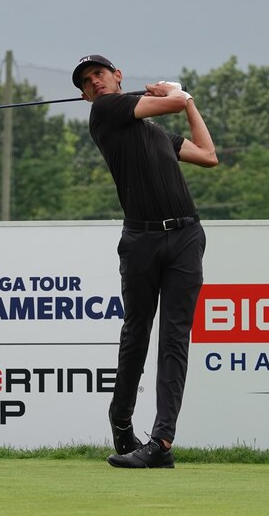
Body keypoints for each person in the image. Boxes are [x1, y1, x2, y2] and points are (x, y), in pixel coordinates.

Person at [72, 55, 218, 468]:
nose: (95, 82)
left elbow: (208, 154)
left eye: (99, 74)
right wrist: (176, 93)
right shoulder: (105, 111)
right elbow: (172, 100)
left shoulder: (155, 133)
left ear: (117, 76)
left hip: (186, 236)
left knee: (174, 338)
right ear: (85, 96)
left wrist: (188, 104)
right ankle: (121, 419)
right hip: (141, 239)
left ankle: (161, 443)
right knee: (137, 331)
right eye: (86, 81)